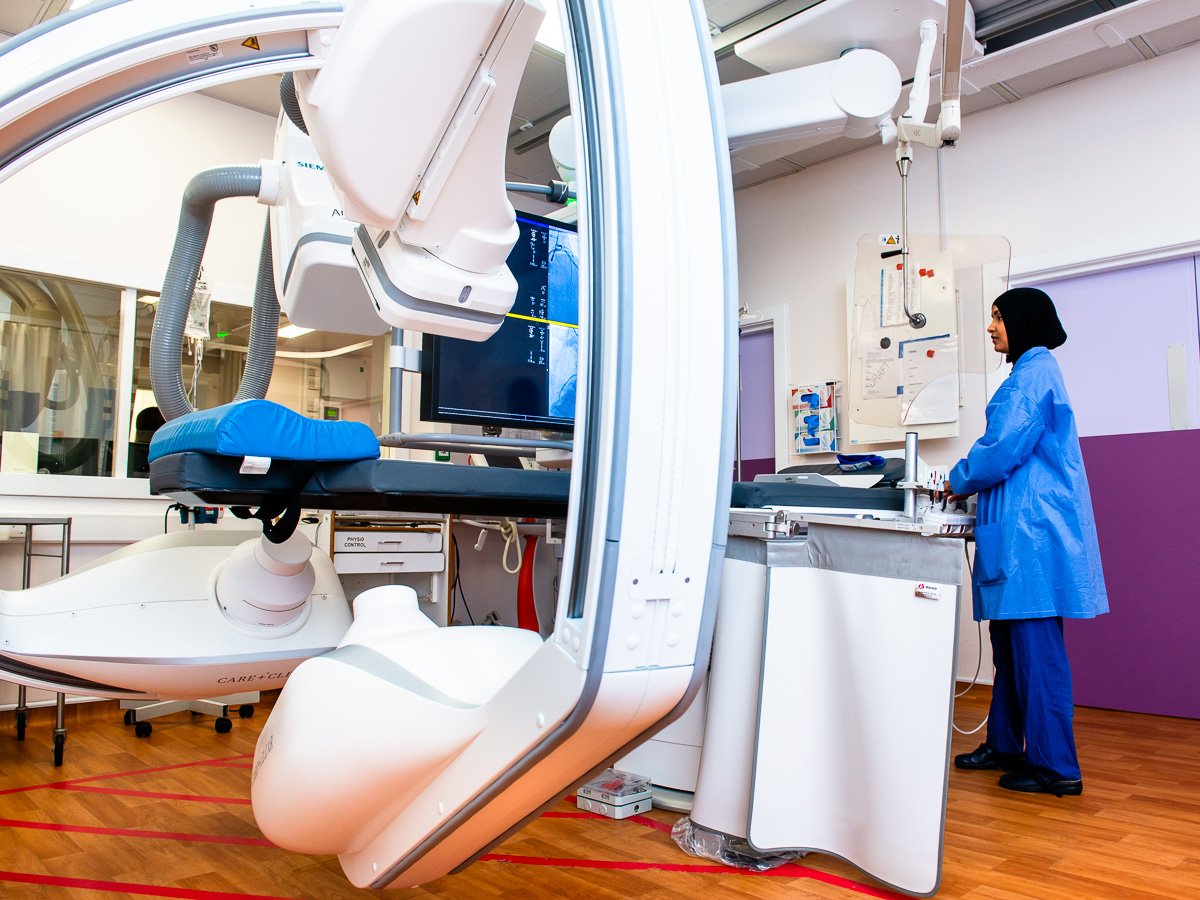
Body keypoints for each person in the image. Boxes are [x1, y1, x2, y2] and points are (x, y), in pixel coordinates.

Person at [945, 287, 1108, 797]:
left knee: (1035, 651)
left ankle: (1057, 768)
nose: (991, 327)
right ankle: (1006, 744)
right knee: (1010, 647)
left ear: (1023, 321)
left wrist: (953, 479)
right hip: (1019, 531)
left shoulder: (1031, 377)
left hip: (1030, 537)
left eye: (998, 317)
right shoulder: (1029, 373)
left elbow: (999, 452)